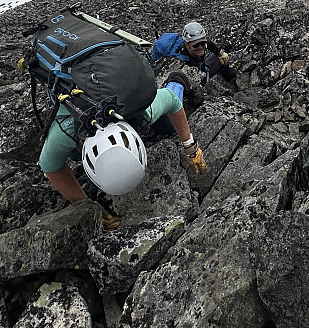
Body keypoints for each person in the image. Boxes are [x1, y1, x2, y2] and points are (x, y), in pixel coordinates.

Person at [38, 83, 206, 229]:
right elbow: (50, 166)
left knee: (166, 126)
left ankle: (176, 80)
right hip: (69, 86)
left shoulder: (142, 111)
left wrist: (190, 146)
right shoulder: (65, 133)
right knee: (74, 155)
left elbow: (171, 99)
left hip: (113, 84)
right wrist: (86, 205)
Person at [150, 21, 237, 87]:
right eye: (196, 45)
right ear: (187, 45)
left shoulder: (193, 45)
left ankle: (231, 78)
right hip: (190, 77)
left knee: (220, 58)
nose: (200, 47)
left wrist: (220, 53)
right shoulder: (182, 62)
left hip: (197, 65)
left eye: (202, 43)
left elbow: (208, 44)